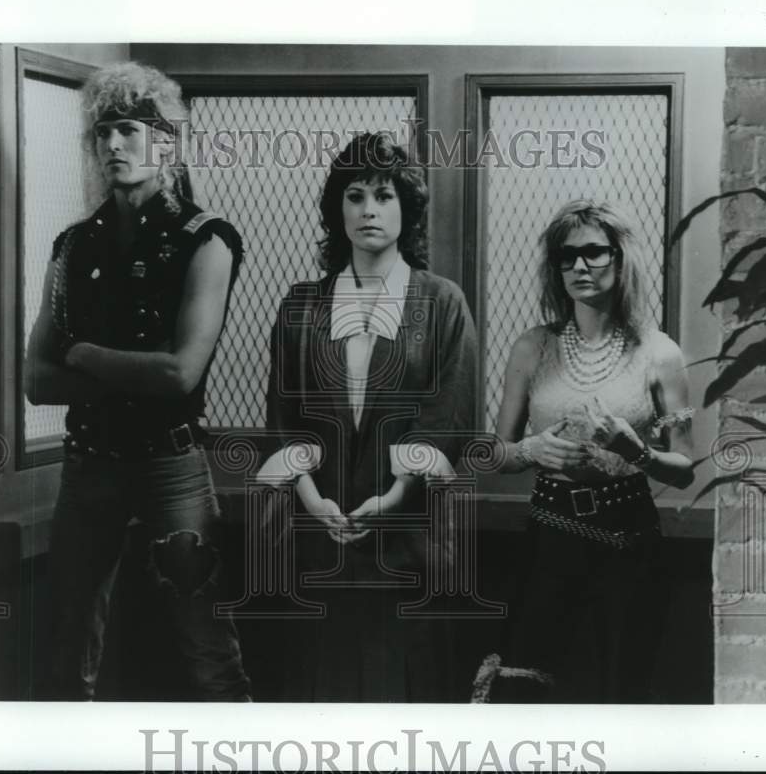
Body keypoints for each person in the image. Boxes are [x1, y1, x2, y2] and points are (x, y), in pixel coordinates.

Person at [25, 61, 250, 701]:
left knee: (206, 642)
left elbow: (181, 372)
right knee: (67, 642)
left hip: (170, 463)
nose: (114, 145)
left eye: (129, 129)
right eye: (102, 134)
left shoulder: (206, 238)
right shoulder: (73, 244)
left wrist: (89, 354)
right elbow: (38, 380)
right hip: (89, 462)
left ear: (167, 142)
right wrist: (133, 372)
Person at [258, 131, 477, 702]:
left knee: (403, 702)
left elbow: (448, 412)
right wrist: (311, 498)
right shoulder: (302, 304)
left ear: (408, 208)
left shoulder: (441, 302)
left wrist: (396, 493)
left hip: (408, 541)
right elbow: (284, 417)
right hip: (320, 534)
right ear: (338, 210)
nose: (368, 209)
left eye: (384, 195)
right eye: (354, 196)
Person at [491, 199, 695, 703]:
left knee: (620, 688)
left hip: (629, 540)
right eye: (566, 257)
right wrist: (534, 449)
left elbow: (686, 469)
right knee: (526, 686)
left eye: (594, 253)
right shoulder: (531, 348)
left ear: (620, 258)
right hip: (550, 533)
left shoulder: (660, 353)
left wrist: (637, 451)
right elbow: (496, 454)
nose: (579, 267)